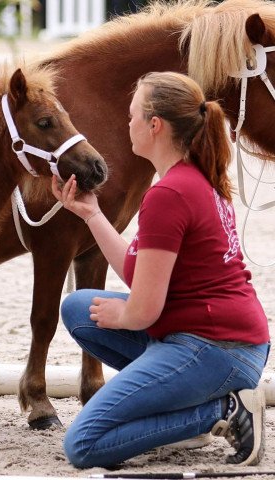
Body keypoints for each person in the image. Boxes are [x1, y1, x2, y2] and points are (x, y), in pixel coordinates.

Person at [52, 71, 270, 469]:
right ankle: (187, 409)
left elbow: (143, 310)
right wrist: (91, 214)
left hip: (218, 348)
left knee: (84, 444)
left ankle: (223, 409)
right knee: (79, 308)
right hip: (221, 337)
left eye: (133, 115)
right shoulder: (189, 177)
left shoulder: (169, 193)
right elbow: (141, 275)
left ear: (155, 126)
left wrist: (125, 316)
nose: (127, 123)